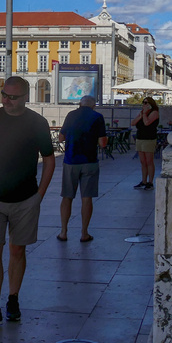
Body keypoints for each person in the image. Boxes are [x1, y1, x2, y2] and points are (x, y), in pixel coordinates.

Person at [0, 76, 56, 330]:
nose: (7, 100)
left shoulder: (37, 123)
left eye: (13, 97)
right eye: (4, 95)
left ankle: (13, 298)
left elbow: (49, 160)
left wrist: (40, 195)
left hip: (26, 198)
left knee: (18, 251)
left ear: (25, 97)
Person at [58, 95, 108, 242]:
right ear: (93, 106)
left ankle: (63, 232)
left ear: (80, 104)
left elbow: (61, 138)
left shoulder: (71, 115)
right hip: (90, 161)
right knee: (87, 198)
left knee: (67, 197)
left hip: (71, 160)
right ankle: (84, 233)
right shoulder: (98, 117)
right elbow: (103, 143)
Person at [133, 98, 161, 189]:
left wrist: (145, 114)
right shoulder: (142, 113)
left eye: (146, 103)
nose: (144, 104)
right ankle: (144, 180)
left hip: (149, 139)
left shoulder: (154, 113)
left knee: (149, 161)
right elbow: (133, 123)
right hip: (140, 138)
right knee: (143, 161)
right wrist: (140, 116)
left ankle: (150, 182)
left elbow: (147, 123)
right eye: (143, 103)